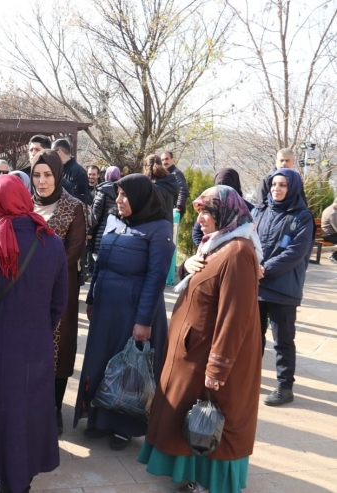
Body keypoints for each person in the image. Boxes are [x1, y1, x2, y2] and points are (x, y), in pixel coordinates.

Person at [140, 185, 263, 493]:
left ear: (226, 213)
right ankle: (196, 476)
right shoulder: (216, 245)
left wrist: (217, 368)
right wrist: (186, 267)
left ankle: (211, 484)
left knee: (213, 422)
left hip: (209, 357)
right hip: (193, 352)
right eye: (199, 213)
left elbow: (235, 318)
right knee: (190, 419)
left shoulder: (237, 252)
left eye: (207, 213)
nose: (201, 220)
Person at [0, 174, 68, 493]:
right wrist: (39, 332)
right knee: (29, 416)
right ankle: (24, 479)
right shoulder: (53, 242)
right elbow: (59, 301)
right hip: (37, 347)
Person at [73, 174, 174, 450]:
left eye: (124, 195)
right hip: (106, 307)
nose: (118, 201)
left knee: (129, 367)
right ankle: (98, 418)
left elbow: (156, 278)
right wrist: (92, 298)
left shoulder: (159, 229)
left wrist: (144, 320)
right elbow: (100, 264)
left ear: (141, 198)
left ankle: (124, 426)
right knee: (101, 362)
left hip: (134, 310)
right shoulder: (115, 222)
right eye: (117, 195)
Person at [31, 149, 86, 435]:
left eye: (48, 175)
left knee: (59, 348)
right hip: (25, 293)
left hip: (59, 291)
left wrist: (39, 273)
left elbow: (73, 251)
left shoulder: (73, 207)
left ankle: (53, 408)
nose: (42, 181)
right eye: (37, 175)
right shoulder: (25, 205)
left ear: (59, 175)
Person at [253, 168, 314, 406]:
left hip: (283, 289)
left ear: (293, 188)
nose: (276, 189)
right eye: (274, 185)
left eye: (283, 185)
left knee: (283, 340)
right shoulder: (261, 211)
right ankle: (251, 378)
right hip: (257, 286)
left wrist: (264, 269)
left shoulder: (302, 216)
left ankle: (285, 386)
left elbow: (295, 252)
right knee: (253, 338)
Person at [192, 168, 254, 247]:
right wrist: (206, 250)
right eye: (220, 188)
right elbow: (197, 233)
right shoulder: (211, 206)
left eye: (227, 188)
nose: (223, 194)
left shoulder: (249, 210)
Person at [88, 165, 121, 257]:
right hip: (118, 234)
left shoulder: (102, 191)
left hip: (101, 234)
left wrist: (89, 233)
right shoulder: (122, 191)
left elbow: (95, 215)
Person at [53, 138, 90, 206]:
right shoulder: (61, 169)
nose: (51, 157)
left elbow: (78, 200)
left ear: (59, 152)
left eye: (52, 153)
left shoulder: (78, 172)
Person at [144, 154, 179, 223]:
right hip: (167, 227)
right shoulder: (168, 184)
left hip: (154, 229)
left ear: (145, 168)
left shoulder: (154, 188)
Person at [160, 151, 190, 219]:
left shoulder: (176, 173)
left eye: (167, 159)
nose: (164, 162)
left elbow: (183, 190)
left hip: (175, 210)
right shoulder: (166, 174)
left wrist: (178, 207)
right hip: (169, 209)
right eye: (162, 160)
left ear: (173, 160)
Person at [321, 197, 337, 263]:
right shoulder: (332, 213)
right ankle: (334, 256)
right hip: (329, 235)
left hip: (332, 234)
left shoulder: (333, 209)